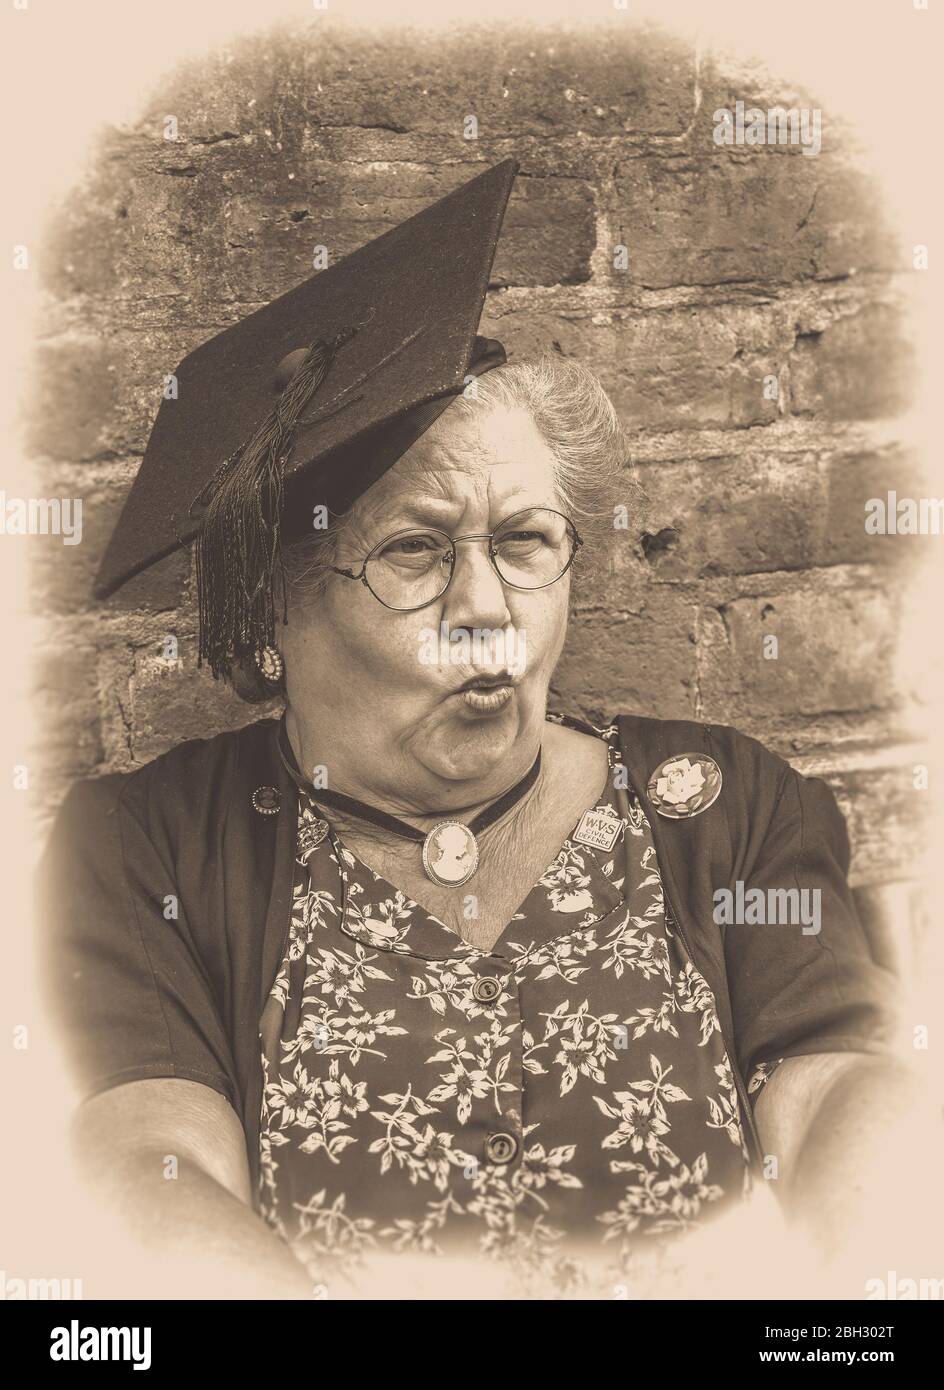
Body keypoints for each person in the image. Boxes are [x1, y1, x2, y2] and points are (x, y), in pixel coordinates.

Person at [36, 159, 921, 1299]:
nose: (487, 607)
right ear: (274, 607)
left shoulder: (723, 806)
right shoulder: (153, 846)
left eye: (524, 541)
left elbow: (838, 1097)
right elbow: (147, 1170)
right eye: (414, 551)